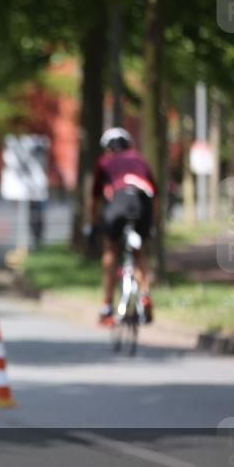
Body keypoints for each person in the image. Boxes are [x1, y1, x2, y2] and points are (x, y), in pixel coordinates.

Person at [89, 128, 157, 325]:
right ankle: (145, 295)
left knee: (110, 249)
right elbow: (155, 195)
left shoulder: (105, 161)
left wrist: (93, 224)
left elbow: (95, 199)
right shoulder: (140, 158)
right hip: (143, 204)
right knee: (138, 253)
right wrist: (151, 223)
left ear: (108, 149)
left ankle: (107, 305)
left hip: (119, 203)